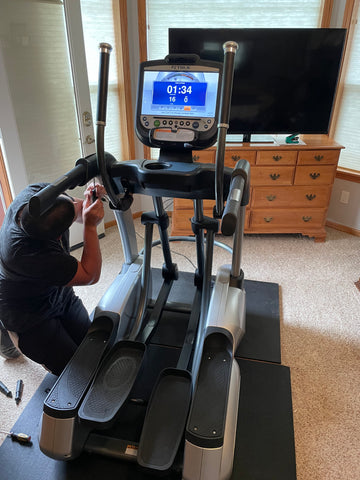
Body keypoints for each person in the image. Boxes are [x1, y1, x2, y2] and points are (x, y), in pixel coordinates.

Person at [0, 181, 106, 375]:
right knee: (72, 371)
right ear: (57, 239)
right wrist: (90, 225)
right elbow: (90, 275)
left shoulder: (35, 194)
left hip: (57, 291)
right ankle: (6, 337)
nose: (78, 205)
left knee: (92, 346)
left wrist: (91, 198)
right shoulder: (28, 254)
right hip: (26, 312)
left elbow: (75, 207)